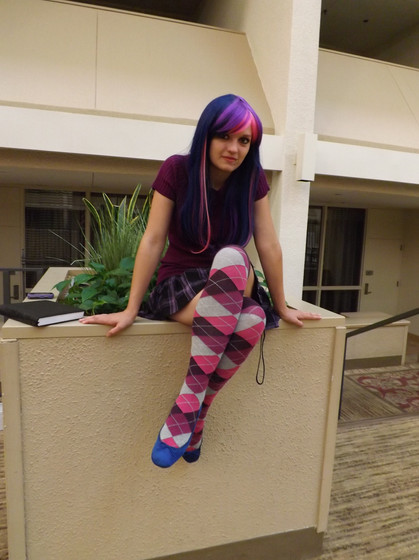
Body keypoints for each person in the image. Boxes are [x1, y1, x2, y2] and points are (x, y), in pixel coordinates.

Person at [80, 94, 321, 468]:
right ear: (207, 134)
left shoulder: (252, 180)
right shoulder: (177, 170)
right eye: (225, 136)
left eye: (244, 141)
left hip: (233, 279)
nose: (234, 148)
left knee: (231, 258)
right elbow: (153, 240)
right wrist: (130, 309)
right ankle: (200, 414)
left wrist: (283, 304)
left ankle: (187, 405)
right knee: (253, 319)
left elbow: (269, 243)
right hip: (181, 284)